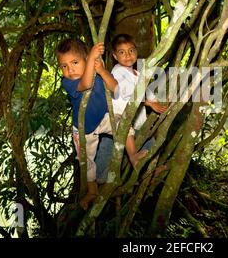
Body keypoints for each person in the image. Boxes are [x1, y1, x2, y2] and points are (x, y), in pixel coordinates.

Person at [56, 38, 118, 210]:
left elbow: (115, 87)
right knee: (86, 160)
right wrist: (91, 58)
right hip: (84, 129)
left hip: (103, 118)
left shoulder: (97, 72)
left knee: (125, 128)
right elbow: (86, 83)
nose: (69, 69)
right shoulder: (68, 82)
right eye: (64, 66)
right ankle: (92, 190)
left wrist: (101, 68)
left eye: (75, 62)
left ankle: (135, 157)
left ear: (85, 60)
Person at [110, 34, 167, 167]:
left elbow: (147, 91)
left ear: (136, 52)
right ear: (115, 56)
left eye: (131, 50)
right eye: (122, 52)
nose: (127, 55)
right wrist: (149, 103)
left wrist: (155, 101)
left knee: (150, 143)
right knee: (126, 129)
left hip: (138, 120)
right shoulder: (118, 71)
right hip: (120, 115)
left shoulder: (137, 74)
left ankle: (153, 170)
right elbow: (129, 93)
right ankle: (133, 156)